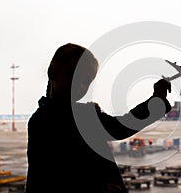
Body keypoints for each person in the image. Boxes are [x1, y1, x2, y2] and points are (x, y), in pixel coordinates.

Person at [25, 43, 172, 193]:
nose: (80, 86)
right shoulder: (43, 122)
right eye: (72, 75)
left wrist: (157, 100)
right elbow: (49, 178)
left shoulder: (85, 115)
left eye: (86, 81)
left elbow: (118, 127)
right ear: (52, 73)